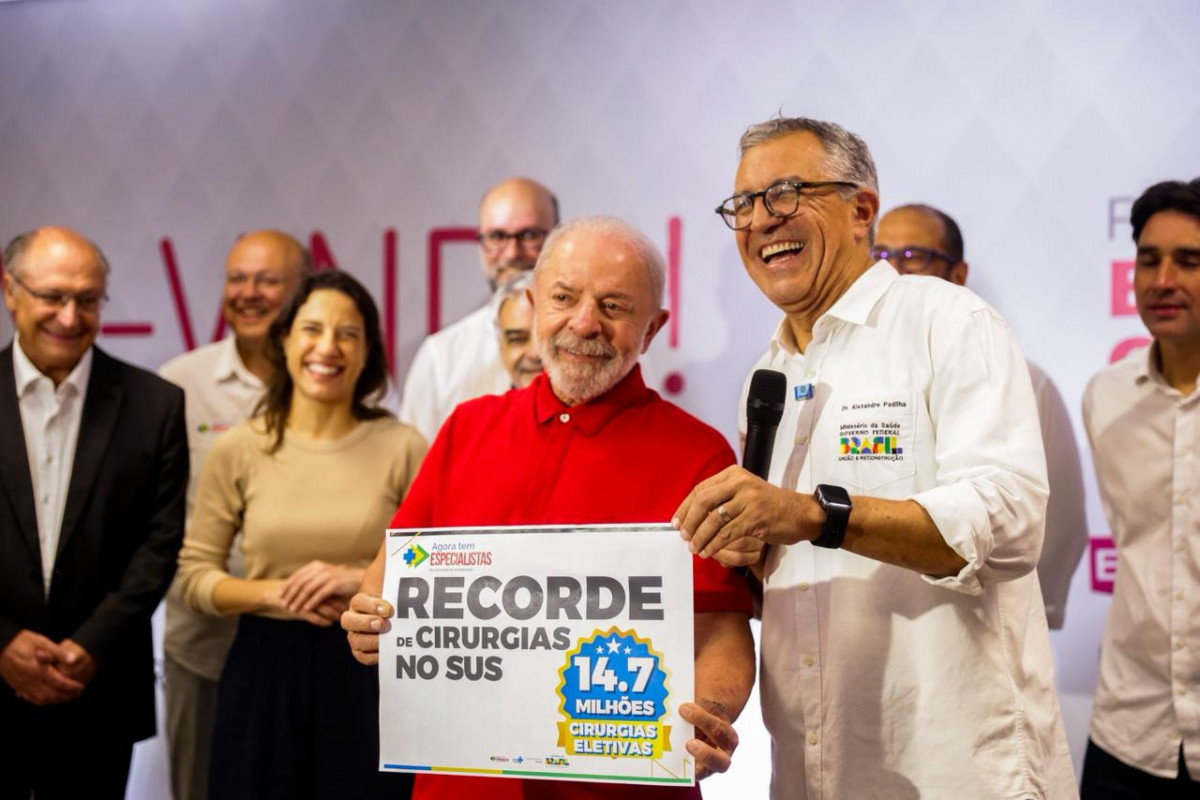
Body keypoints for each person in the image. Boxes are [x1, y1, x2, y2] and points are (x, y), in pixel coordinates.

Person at [673, 117, 1076, 799]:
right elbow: (789, 566)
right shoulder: (765, 376)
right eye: (743, 204)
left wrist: (812, 515)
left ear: (862, 211)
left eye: (787, 193)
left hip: (956, 771)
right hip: (812, 772)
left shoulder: (948, 322)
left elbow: (1008, 523)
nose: (762, 221)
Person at [343, 216, 756, 800]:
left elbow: (719, 626)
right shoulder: (467, 428)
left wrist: (710, 714)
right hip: (465, 784)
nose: (584, 323)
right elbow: (394, 574)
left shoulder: (699, 453)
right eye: (564, 298)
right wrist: (368, 620)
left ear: (654, 327)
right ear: (535, 304)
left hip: (625, 789)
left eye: (614, 306)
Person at [175, 270, 426, 800]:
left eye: (347, 334)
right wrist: (279, 593)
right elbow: (193, 577)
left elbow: (433, 571)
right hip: (263, 669)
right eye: (312, 329)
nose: (327, 348)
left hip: (371, 670)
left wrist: (359, 580)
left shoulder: (404, 446)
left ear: (367, 352)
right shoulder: (240, 448)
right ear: (285, 341)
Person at [0, 226, 188, 798]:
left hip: (99, 687)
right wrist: (2, 642)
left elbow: (159, 545)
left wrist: (92, 644)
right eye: (52, 296)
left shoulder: (155, 404)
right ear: (10, 290)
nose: (69, 315)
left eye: (87, 299)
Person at [873, 203, 1089, 629]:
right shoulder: (853, 376)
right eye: (880, 257)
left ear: (958, 274)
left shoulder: (1022, 377)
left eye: (913, 256)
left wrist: (1030, 618)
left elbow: (1059, 522)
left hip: (985, 627)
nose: (894, 272)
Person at [157, 230, 309, 800]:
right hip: (204, 644)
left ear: (303, 291)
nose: (249, 293)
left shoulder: (331, 383)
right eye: (237, 278)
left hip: (306, 645)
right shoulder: (178, 385)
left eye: (268, 279)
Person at [1080, 178, 1200, 798]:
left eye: (1189, 260)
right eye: (1149, 260)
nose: (1163, 280)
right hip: (1131, 729)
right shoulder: (1106, 396)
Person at [399, 177, 558, 442]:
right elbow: (417, 473)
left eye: (529, 235)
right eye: (496, 237)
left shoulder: (596, 347)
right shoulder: (440, 358)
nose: (511, 253)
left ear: (559, 238)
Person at [491, 272, 542, 389]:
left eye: (545, 338)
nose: (535, 353)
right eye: (518, 339)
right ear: (500, 347)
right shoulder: (479, 406)